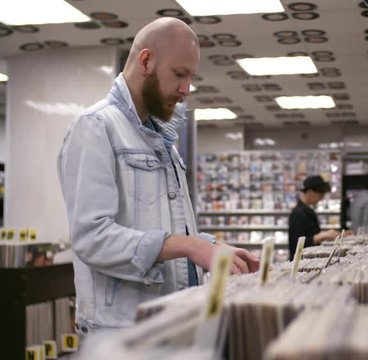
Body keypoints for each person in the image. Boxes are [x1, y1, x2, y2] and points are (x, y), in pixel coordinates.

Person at [57, 18, 259, 333]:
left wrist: (212, 247)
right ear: (147, 61)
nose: (186, 89)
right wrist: (190, 247)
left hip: (167, 324)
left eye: (191, 77)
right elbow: (91, 238)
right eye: (179, 74)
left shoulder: (161, 140)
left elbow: (162, 229)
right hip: (121, 334)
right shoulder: (96, 127)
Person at [288, 175, 341, 260]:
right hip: (300, 263)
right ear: (310, 192)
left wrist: (327, 235)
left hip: (308, 260)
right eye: (320, 195)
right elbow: (297, 243)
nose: (321, 198)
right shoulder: (298, 213)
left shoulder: (308, 211)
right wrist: (321, 236)